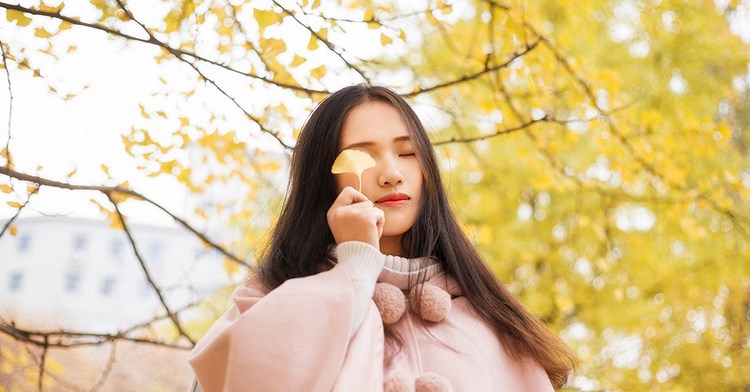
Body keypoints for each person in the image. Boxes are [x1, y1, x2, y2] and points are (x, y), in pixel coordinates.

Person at [188, 84, 577, 391]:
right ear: (323, 178)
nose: (391, 173)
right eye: (362, 155)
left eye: (407, 153)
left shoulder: (486, 325)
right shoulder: (268, 303)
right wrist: (355, 265)